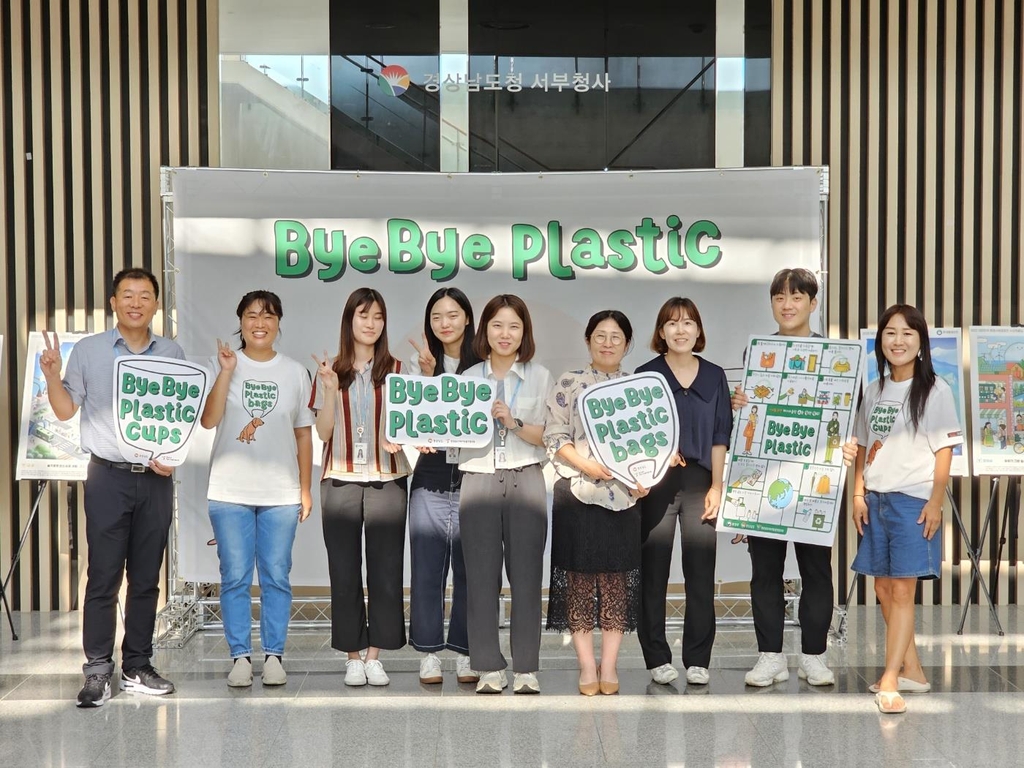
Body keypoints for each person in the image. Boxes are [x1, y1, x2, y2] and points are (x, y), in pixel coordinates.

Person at [39, 267, 181, 707]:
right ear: (114, 303)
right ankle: (98, 669)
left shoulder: (172, 352)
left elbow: (178, 417)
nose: (136, 303)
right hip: (107, 477)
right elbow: (65, 412)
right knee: (103, 575)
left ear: (157, 304)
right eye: (127, 295)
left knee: (146, 580)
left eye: (145, 295)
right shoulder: (88, 350)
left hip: (155, 481)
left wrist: (171, 456)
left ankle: (138, 663)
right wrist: (51, 374)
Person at [846, 304, 962, 714]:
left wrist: (935, 501)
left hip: (913, 501)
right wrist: (858, 494)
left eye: (907, 333)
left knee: (901, 590)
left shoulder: (936, 390)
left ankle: (892, 678)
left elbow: (945, 450)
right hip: (875, 500)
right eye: (890, 333)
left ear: (920, 342)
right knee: (881, 587)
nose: (898, 341)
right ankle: (912, 669)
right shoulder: (874, 389)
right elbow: (861, 446)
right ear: (880, 342)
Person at [199, 290, 313, 688]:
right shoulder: (219, 364)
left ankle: (275, 654)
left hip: (280, 492)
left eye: (267, 316)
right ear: (241, 321)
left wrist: (305, 488)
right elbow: (209, 421)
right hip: (229, 490)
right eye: (251, 315)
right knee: (233, 576)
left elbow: (303, 435)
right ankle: (240, 657)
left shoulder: (295, 372)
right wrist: (228, 371)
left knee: (277, 575)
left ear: (279, 322)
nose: (259, 323)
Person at [731, 267, 836, 687]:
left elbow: (844, 418)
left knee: (816, 571)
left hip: (815, 481)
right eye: (779, 297)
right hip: (766, 480)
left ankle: (814, 655)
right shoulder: (757, 351)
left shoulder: (834, 355)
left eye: (797, 297)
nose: (787, 304)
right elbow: (751, 418)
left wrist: (843, 444)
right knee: (766, 571)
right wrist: (740, 405)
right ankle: (770, 656)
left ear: (814, 303)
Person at [544, 310, 647, 696]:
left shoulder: (639, 387)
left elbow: (651, 442)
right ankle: (587, 666)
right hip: (577, 494)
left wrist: (645, 480)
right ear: (588, 340)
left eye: (616, 337)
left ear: (627, 343)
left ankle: (610, 665)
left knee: (617, 583)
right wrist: (587, 465)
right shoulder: (569, 383)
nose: (607, 342)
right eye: (600, 335)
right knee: (579, 583)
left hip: (625, 498)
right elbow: (554, 436)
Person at [312, 288, 411, 687]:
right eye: (363, 315)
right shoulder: (329, 368)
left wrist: (401, 437)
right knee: (345, 570)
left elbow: (410, 427)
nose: (370, 324)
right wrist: (331, 388)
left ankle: (375, 655)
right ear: (349, 320)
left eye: (378, 317)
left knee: (386, 571)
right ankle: (352, 655)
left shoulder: (399, 370)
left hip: (389, 478)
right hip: (339, 478)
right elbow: (323, 431)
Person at [458, 294, 553, 694]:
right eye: (497, 325)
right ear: (485, 330)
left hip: (525, 478)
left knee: (527, 578)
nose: (505, 334)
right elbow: (450, 436)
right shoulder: (465, 380)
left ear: (524, 333)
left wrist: (512, 422)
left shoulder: (540, 376)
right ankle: (488, 667)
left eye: (514, 326)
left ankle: (527, 668)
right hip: (478, 478)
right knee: (480, 578)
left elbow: (547, 436)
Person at [636, 298, 732, 686]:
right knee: (652, 572)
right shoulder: (646, 374)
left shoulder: (715, 375)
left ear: (698, 331)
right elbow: (635, 432)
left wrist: (717, 485)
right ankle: (656, 657)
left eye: (688, 323)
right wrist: (656, 453)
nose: (680, 330)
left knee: (700, 572)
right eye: (672, 324)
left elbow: (721, 433)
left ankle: (698, 658)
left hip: (700, 483)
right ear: (661, 332)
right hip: (655, 484)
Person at [406, 288, 481, 685]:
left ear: (468, 318)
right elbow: (410, 418)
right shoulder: (420, 365)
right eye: (437, 316)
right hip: (431, 474)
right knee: (427, 564)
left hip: (475, 474)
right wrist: (425, 375)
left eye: (453, 314)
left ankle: (466, 652)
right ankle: (429, 652)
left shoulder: (486, 364)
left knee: (471, 569)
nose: (445, 323)